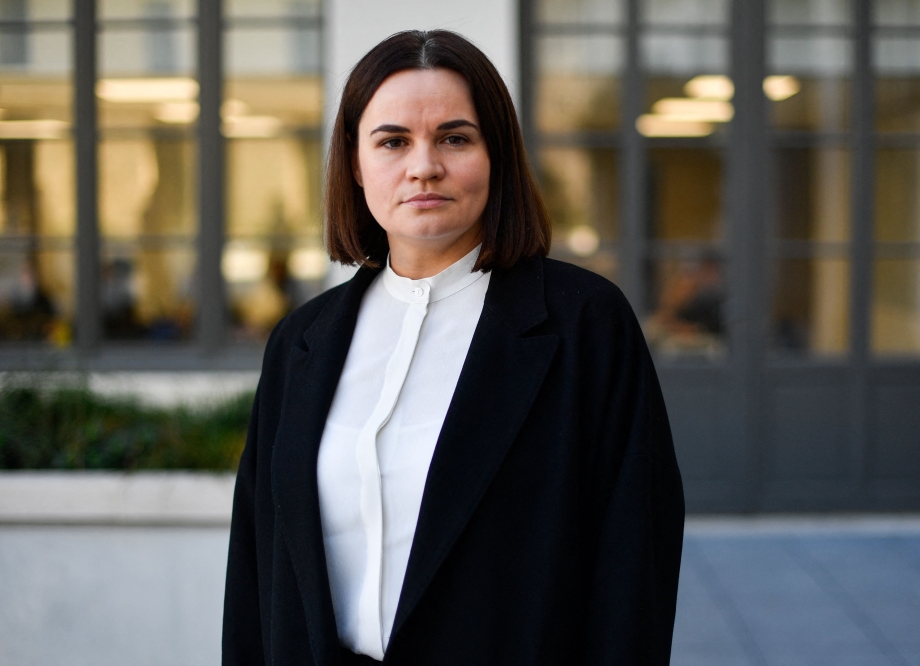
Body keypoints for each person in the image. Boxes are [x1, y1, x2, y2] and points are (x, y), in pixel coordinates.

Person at [223, 30, 684, 666]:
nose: (423, 166)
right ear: (355, 166)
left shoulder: (586, 326)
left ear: (497, 155)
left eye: (455, 137)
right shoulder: (303, 340)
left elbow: (635, 564)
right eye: (392, 141)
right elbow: (257, 565)